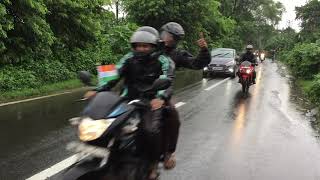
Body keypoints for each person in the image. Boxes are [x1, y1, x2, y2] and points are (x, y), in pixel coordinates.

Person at [84, 26, 175, 180]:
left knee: (150, 130)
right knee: (102, 122)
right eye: (138, 45)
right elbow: (113, 74)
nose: (141, 49)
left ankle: (152, 164)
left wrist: (160, 97)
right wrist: (97, 89)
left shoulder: (164, 61)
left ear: (154, 46)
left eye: (145, 46)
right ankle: (99, 159)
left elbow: (168, 80)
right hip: (127, 100)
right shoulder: (128, 58)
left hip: (150, 102)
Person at [159, 22, 211, 169]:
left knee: (173, 117)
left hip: (160, 95)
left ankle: (169, 152)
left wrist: (204, 50)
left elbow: (196, 63)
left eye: (173, 38)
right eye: (167, 35)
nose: (169, 39)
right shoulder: (148, 45)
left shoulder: (177, 55)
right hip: (136, 92)